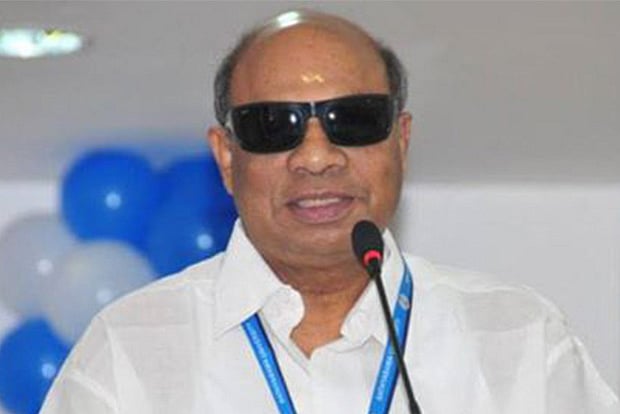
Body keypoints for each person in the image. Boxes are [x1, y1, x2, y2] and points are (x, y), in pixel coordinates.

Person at [41, 10, 617, 414]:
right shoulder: (132, 347)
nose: (316, 157)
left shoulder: (515, 337)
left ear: (401, 141)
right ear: (226, 158)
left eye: (354, 120)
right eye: (274, 126)